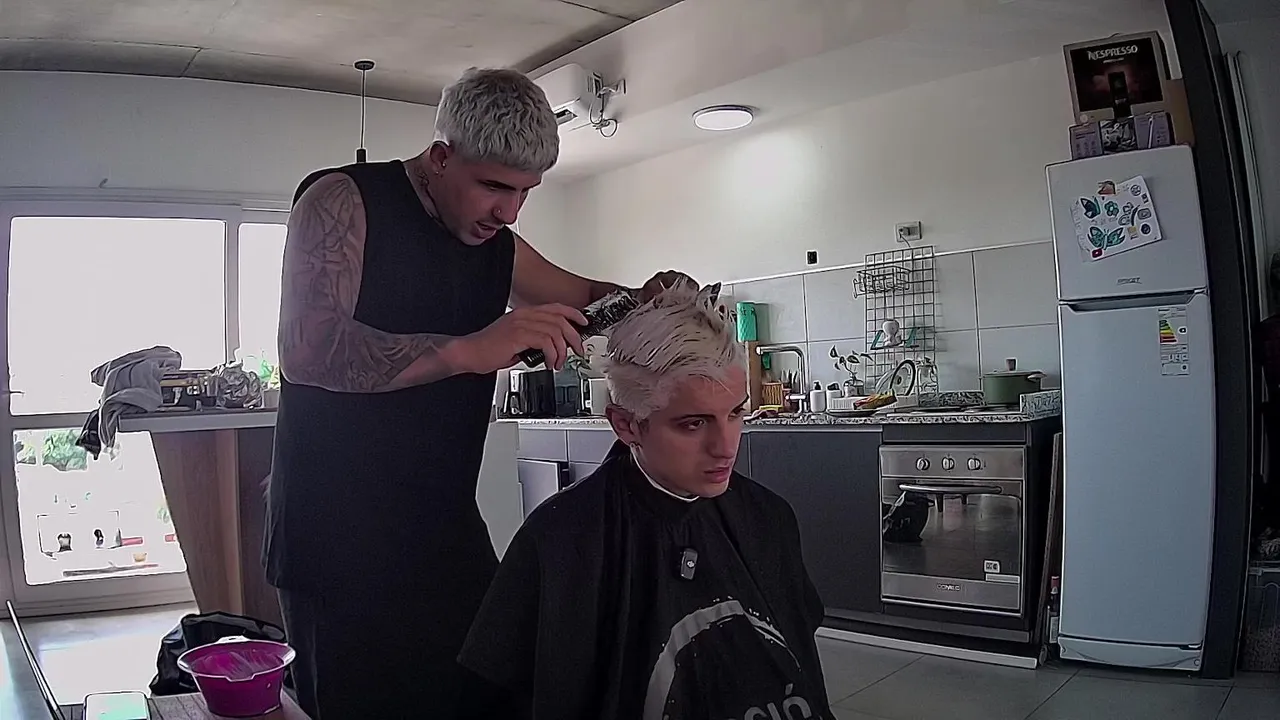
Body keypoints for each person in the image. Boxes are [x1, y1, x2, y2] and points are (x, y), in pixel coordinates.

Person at [264, 67, 685, 719]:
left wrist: (648, 299)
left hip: (446, 534)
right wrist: (469, 349)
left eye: (525, 192)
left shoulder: (498, 248)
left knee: (494, 698)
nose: (508, 211)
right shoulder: (343, 200)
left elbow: (584, 298)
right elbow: (306, 352)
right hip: (337, 539)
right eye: (493, 186)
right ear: (440, 157)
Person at [459, 280, 833, 719]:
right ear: (626, 425)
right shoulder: (561, 542)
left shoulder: (768, 517)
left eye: (735, 413)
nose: (726, 446)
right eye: (693, 424)